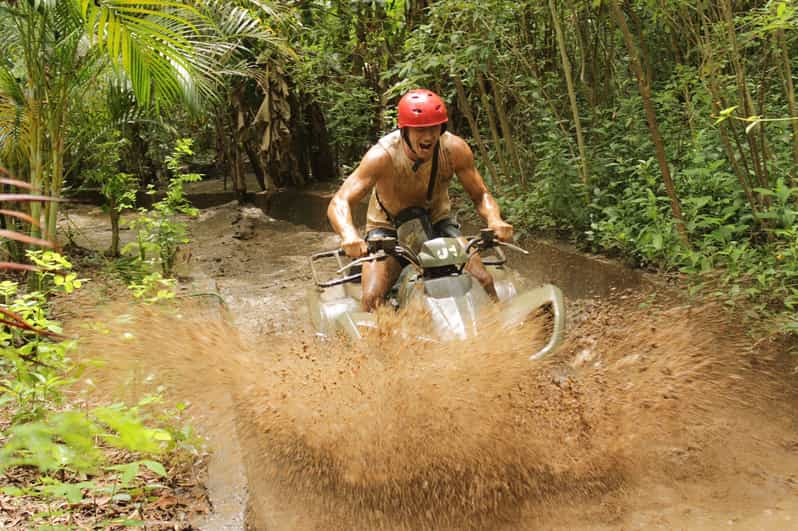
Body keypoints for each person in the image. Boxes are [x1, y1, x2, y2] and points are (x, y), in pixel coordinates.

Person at [327, 88, 513, 311]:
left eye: (434, 127)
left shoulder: (454, 149)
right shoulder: (382, 156)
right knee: (372, 297)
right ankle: (377, 343)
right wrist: (349, 235)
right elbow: (340, 201)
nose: (428, 136)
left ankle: (499, 328)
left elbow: (481, 194)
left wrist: (495, 220)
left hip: (437, 222)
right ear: (405, 130)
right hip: (387, 230)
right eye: (420, 129)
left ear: (442, 127)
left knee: (484, 280)